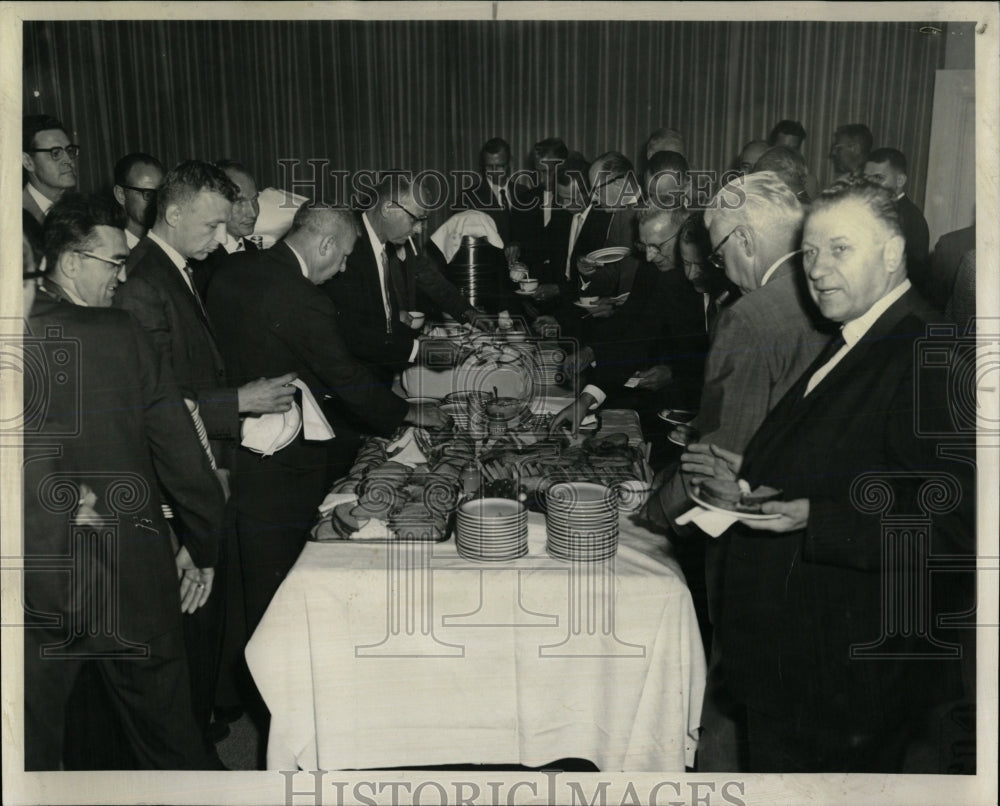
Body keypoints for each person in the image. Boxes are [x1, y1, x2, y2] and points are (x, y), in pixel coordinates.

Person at [684, 178, 974, 772]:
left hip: (846, 681)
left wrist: (818, 515)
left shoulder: (925, 351)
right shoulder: (857, 334)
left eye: (840, 249)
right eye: (810, 251)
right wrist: (761, 471)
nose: (816, 269)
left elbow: (956, 524)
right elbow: (857, 462)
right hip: (803, 668)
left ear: (892, 254)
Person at [23, 214, 226, 770]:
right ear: (68, 263)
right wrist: (202, 546)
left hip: (31, 593)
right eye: (113, 262)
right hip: (128, 576)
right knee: (169, 741)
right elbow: (183, 456)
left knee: (47, 755)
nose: (121, 276)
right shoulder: (118, 334)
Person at [642, 171, 829, 771]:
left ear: (745, 240)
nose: (719, 269)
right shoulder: (830, 293)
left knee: (731, 705)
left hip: (752, 545)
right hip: (815, 536)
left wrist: (648, 513)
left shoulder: (750, 317)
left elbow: (715, 460)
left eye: (720, 253)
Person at [114, 159, 295, 749]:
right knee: (189, 618)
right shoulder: (143, 282)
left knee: (205, 611)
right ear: (172, 212)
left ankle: (200, 729)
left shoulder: (177, 268)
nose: (222, 239)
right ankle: (188, 748)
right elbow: (150, 397)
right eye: (213, 225)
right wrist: (236, 402)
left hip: (203, 458)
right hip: (174, 478)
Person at [207, 203, 449, 632]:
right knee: (279, 589)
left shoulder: (234, 271)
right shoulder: (304, 298)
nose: (340, 271)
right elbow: (345, 377)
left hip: (226, 450)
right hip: (279, 463)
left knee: (238, 585)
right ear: (324, 244)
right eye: (341, 258)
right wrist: (410, 411)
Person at [324, 173, 480, 382]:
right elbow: (356, 335)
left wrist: (467, 312)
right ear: (388, 208)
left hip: (381, 372)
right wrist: (420, 348)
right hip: (355, 381)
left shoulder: (390, 238)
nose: (418, 230)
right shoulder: (348, 248)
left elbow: (428, 279)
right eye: (415, 219)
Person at [189, 159, 262, 298]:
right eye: (240, 202)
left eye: (255, 200)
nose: (253, 212)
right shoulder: (200, 261)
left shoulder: (253, 250)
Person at [863, 147, 930, 296]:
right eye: (866, 178)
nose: (869, 184)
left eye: (878, 177)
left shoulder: (909, 218)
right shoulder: (878, 209)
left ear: (900, 180)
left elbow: (912, 277)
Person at [510, 137, 571, 285]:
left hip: (566, 289)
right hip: (531, 287)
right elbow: (519, 244)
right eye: (539, 172)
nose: (543, 179)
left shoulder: (576, 202)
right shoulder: (523, 200)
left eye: (548, 172)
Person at [22, 114, 78, 244]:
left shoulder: (80, 210)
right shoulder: (14, 217)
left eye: (69, 151)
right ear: (28, 162)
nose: (68, 160)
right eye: (55, 153)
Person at [112, 152, 165, 250]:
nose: (157, 201)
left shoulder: (165, 245)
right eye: (148, 194)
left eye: (161, 193)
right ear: (121, 195)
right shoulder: (113, 248)